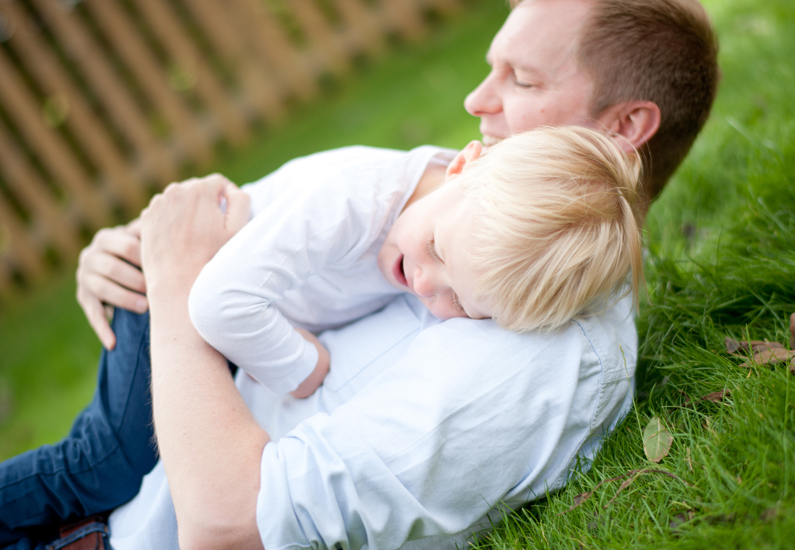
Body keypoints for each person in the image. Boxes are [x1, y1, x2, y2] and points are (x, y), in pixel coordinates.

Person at [4, 0, 720, 548]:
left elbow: (231, 528)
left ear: (624, 129)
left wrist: (172, 283)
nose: (476, 101)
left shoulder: (537, 353)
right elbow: (212, 236)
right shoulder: (446, 194)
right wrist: (130, 255)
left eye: (522, 79)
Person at [189, 128, 643, 398]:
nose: (427, 285)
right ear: (462, 166)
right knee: (115, 463)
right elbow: (216, 303)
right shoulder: (349, 200)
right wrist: (305, 369)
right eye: (438, 248)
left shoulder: (456, 216)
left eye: (462, 304)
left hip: (217, 324)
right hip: (156, 303)